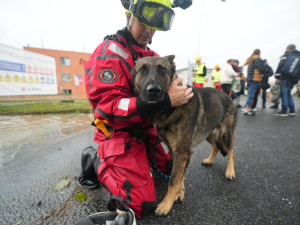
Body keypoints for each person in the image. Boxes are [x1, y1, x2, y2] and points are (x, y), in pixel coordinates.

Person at [77, 0, 193, 223]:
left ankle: (138, 163)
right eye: (144, 23)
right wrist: (166, 101)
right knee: (142, 203)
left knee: (171, 169)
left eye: (154, 26)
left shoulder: (151, 54)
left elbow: (173, 87)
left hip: (147, 131)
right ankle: (95, 159)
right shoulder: (111, 53)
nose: (149, 31)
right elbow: (108, 108)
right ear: (128, 15)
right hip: (119, 134)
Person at [274, 44, 300, 116]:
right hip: (293, 78)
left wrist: (277, 75)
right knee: (289, 94)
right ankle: (292, 110)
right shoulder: (298, 56)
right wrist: (297, 79)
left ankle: (284, 111)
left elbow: (280, 65)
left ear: (288, 48)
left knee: (284, 94)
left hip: (284, 77)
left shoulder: (286, 55)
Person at [242, 49, 267, 115]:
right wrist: (263, 72)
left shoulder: (251, 58)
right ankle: (247, 108)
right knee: (251, 94)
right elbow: (262, 69)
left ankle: (248, 107)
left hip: (250, 78)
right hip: (254, 79)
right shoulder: (257, 59)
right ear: (259, 53)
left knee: (250, 93)